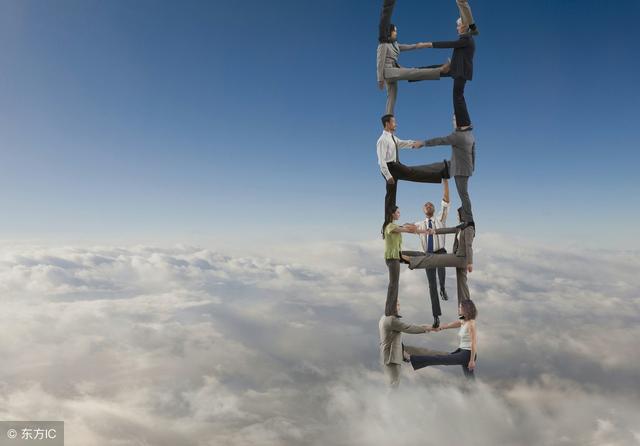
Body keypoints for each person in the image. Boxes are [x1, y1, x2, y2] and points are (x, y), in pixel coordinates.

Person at [377, 0, 450, 114]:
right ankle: (440, 70)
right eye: (395, 31)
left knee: (392, 98)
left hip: (394, 70)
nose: (396, 33)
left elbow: (409, 47)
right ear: (389, 32)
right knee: (414, 72)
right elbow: (380, 61)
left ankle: (387, 123)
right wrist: (380, 79)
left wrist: (420, 45)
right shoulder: (383, 44)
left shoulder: (395, 44)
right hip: (388, 72)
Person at [376, 114, 450, 217]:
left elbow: (401, 143)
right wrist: (388, 176)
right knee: (412, 174)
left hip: (395, 166)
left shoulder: (391, 137)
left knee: (391, 196)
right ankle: (440, 175)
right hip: (390, 168)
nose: (395, 124)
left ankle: (388, 222)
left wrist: (414, 144)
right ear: (387, 124)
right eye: (393, 122)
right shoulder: (382, 140)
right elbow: (381, 160)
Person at [401, 207, 474, 303]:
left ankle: (409, 260)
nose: (457, 216)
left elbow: (469, 245)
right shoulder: (462, 227)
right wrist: (434, 231)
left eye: (458, 214)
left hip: (461, 258)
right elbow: (448, 230)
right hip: (458, 256)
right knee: (462, 284)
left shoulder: (469, 229)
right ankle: (465, 308)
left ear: (463, 215)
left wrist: (470, 262)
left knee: (434, 259)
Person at [420, 16, 475, 128]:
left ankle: (465, 123)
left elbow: (449, 44)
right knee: (432, 69)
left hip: (460, 72)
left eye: (458, 25)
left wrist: (430, 44)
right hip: (454, 68)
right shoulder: (466, 38)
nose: (457, 28)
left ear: (464, 26)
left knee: (458, 96)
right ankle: (408, 73)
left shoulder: (467, 39)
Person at [405, 299, 478, 379]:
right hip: (462, 351)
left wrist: (471, 361)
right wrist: (441, 327)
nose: (458, 309)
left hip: (468, 354)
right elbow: (455, 323)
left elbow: (473, 343)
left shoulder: (471, 324)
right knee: (470, 377)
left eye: (460, 307)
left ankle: (411, 358)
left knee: (440, 359)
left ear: (466, 309)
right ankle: (474, 390)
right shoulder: (464, 319)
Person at [421, 115, 475, 224]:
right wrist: (471, 167)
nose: (453, 122)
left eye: (455, 120)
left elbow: (440, 140)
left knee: (463, 194)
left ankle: (469, 220)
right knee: (464, 194)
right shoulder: (469, 135)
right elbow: (473, 152)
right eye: (453, 120)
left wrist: (423, 143)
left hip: (459, 169)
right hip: (460, 167)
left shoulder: (459, 136)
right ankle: (469, 219)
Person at [379, 301, 446, 387]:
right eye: (396, 305)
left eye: (399, 304)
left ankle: (448, 356)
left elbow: (395, 335)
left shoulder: (386, 318)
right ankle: (390, 400)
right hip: (391, 357)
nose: (398, 307)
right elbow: (409, 328)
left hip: (394, 352)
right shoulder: (391, 320)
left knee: (421, 351)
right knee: (394, 384)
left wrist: (429, 328)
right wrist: (430, 328)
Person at [414, 179, 451, 329]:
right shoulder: (420, 224)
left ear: (434, 209)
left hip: (440, 251)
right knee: (431, 286)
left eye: (430, 204)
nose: (428, 206)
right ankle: (436, 316)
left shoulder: (440, 219)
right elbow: (407, 227)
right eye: (426, 205)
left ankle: (443, 287)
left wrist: (445, 182)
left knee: (441, 263)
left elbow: (446, 200)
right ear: (423, 210)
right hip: (427, 255)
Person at [382, 205, 417, 317]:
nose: (399, 214)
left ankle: (392, 311)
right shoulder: (390, 226)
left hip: (395, 257)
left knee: (394, 284)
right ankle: (390, 311)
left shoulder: (393, 226)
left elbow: (403, 228)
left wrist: (411, 225)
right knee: (393, 285)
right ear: (392, 214)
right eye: (397, 212)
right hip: (392, 259)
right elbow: (404, 229)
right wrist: (414, 229)